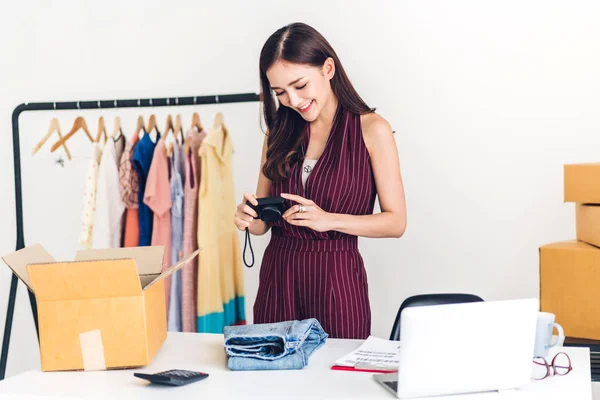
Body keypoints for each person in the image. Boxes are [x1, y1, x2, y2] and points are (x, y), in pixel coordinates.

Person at [233, 22, 407, 339]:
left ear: (328, 68)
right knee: (271, 379)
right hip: (279, 275)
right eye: (280, 92)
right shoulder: (278, 132)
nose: (293, 100)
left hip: (337, 278)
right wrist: (248, 217)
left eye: (300, 85)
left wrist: (328, 220)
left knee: (337, 382)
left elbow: (396, 223)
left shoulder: (372, 130)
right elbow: (262, 224)